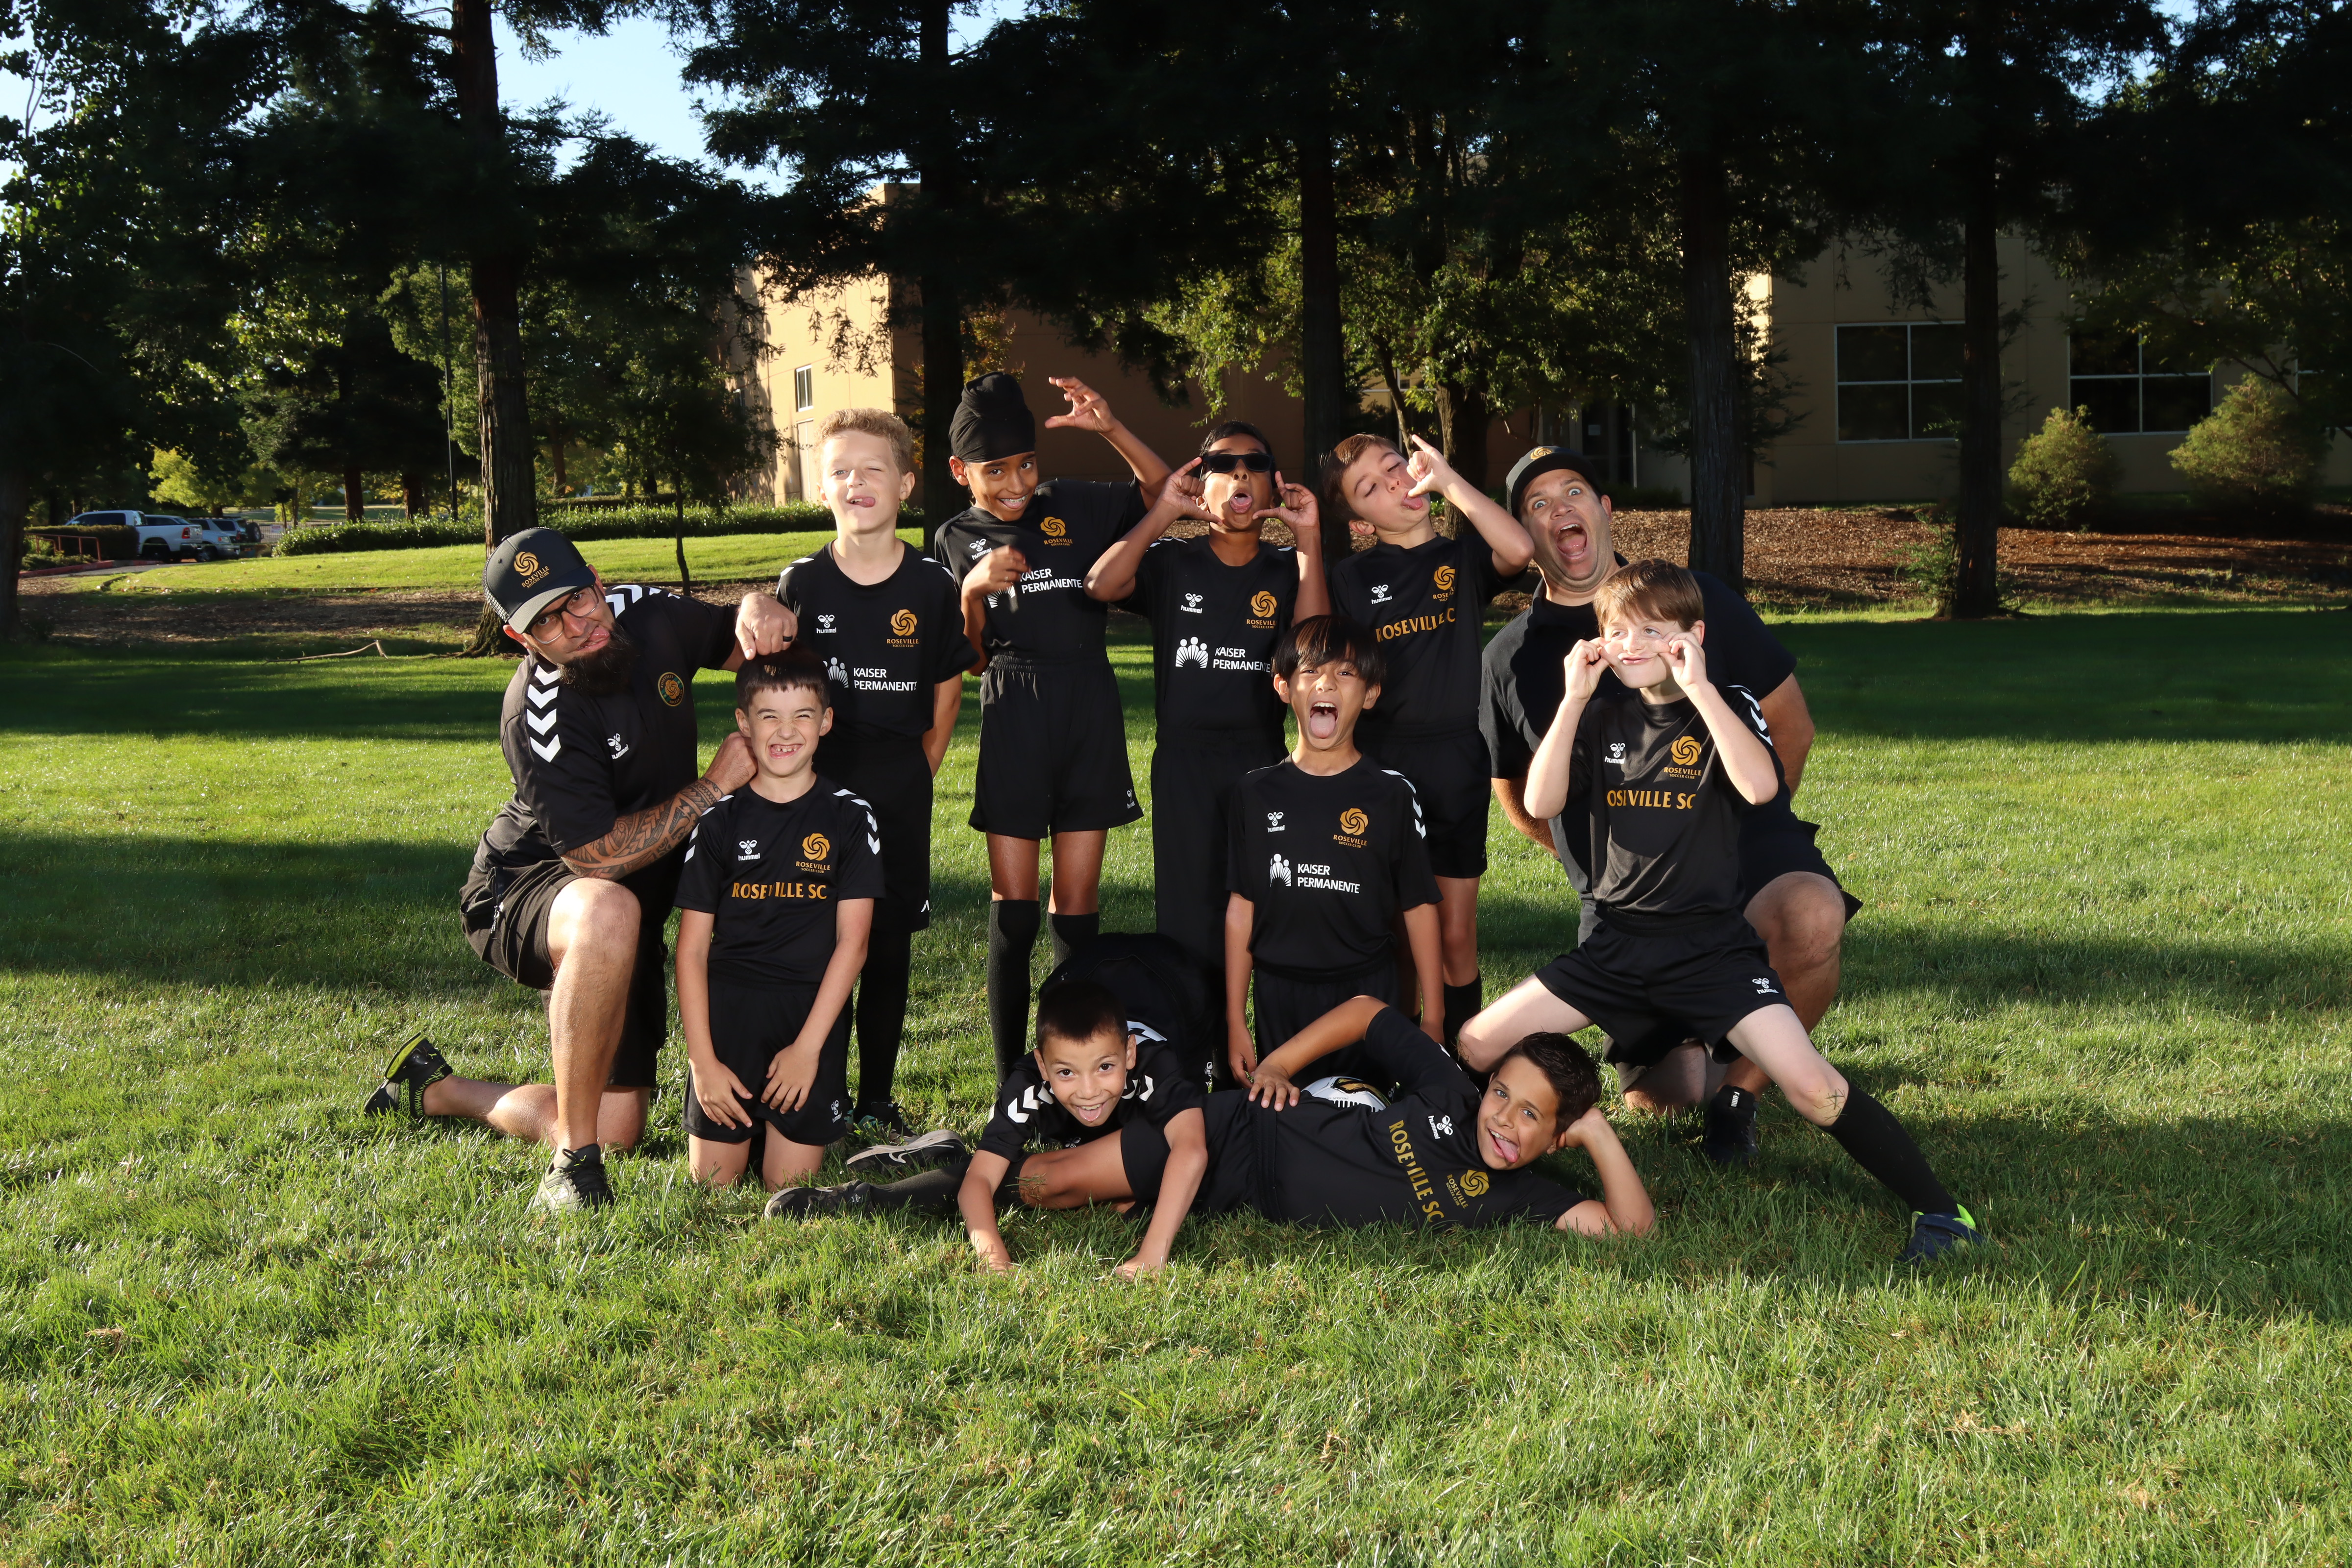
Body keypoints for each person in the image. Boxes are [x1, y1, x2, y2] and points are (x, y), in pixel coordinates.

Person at [1457, 560, 1980, 1262]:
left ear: (1694, 636)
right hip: (1614, 948)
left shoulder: (1723, 703)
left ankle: (1943, 1214)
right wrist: (1573, 699)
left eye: (1655, 631)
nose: (1635, 645)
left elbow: (1761, 787)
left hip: (1710, 951)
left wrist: (1701, 689)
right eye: (1620, 632)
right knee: (1475, 1044)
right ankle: (1463, 1162)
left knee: (1815, 1091)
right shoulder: (1597, 713)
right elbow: (1542, 801)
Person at [364, 526, 793, 1211]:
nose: (576, 625)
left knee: (619, 1128)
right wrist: (713, 788)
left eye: (579, 600)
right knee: (608, 906)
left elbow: (744, 642)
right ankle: (572, 1165)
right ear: (520, 637)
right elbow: (595, 858)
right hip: (527, 887)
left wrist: (759, 605)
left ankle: (435, 1088)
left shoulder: (645, 611)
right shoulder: (537, 712)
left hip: (629, 898)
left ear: (597, 580)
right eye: (547, 622)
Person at [1479, 445, 1858, 1164]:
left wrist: (1725, 833)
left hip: (1744, 845)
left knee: (1811, 914)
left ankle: (1741, 1097)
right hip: (1627, 894)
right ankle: (1723, 1047)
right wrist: (1594, 860)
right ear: (1524, 535)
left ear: (1605, 509)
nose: (1560, 510)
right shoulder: (1511, 656)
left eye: (1574, 491)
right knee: (1666, 1095)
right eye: (1538, 504)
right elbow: (1514, 790)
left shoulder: (1693, 599)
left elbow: (1793, 726)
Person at [929, 372, 1174, 1079]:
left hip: (1087, 708)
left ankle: (1075, 1070)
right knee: (1015, 913)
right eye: (996, 471)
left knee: (1077, 914)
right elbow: (971, 660)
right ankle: (1011, 1079)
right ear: (961, 472)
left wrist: (1111, 427)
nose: (1016, 483)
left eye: (1026, 464)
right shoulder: (956, 537)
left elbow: (1166, 492)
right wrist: (972, 592)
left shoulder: (1075, 503)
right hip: (1014, 710)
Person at [1084, 419, 1330, 1020]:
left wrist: (1309, 541)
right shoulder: (1174, 560)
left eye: (1254, 464)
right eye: (1223, 464)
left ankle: (1263, 1045)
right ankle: (1197, 1046)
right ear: (1201, 483)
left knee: (1265, 902)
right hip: (1185, 763)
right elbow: (1100, 583)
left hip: (1260, 759)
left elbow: (1314, 647)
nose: (1240, 474)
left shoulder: (1285, 567)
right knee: (1190, 912)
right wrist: (1164, 511)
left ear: (1272, 485)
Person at [777, 408, 977, 1141]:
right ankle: (816, 1089)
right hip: (815, 789)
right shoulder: (801, 582)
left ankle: (876, 1097)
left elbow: (948, 688)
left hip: (899, 784)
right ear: (821, 487)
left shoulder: (931, 583)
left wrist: (920, 766)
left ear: (905, 485)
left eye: (872, 469)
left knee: (888, 945)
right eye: (839, 470)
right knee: (816, 940)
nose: (855, 482)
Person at [770, 981, 1211, 1280]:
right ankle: (875, 1195)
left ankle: (943, 1156)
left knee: (1124, 1188)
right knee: (1024, 1179)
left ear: (1129, 1054)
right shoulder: (1028, 1083)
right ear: (1042, 1066)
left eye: (1105, 1068)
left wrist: (1152, 1255)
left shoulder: (1156, 1064)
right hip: (1069, 1135)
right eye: (1066, 1073)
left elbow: (1190, 1150)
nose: (1089, 1090)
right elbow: (979, 1182)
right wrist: (992, 1256)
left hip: (1130, 1123)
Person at [1319, 433, 1534, 1044]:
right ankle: (1404, 1057)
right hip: (1385, 762)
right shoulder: (1353, 577)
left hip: (1457, 759)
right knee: (1399, 933)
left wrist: (1450, 482)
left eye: (1394, 467)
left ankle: (1466, 1063)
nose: (1392, 484)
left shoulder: (1461, 558)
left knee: (1456, 934)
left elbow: (1520, 548)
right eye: (1370, 488)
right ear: (1360, 522)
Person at [672, 649, 883, 1190]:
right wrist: (703, 1063)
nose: (786, 732)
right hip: (730, 1017)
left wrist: (808, 1050)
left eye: (802, 716)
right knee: (713, 1183)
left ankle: (787, 1120)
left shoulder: (850, 816)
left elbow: (854, 944)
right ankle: (751, 1118)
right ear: (744, 723)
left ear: (826, 721)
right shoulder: (718, 821)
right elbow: (691, 951)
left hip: (808, 1014)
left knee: (786, 1187)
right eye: (769, 716)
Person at [1198, 995, 1654, 1238]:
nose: (1503, 1119)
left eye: (1530, 1114)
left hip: (1247, 1196)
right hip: (1250, 1130)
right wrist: (1278, 1065)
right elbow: (1366, 1013)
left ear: (1557, 1138)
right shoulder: (1449, 1093)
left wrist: (1597, 1132)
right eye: (1500, 1093)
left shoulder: (1523, 1197)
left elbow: (1634, 1232)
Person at [1225, 614, 1442, 1091]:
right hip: (1280, 993)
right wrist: (1235, 1018)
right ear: (1284, 687)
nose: (1326, 682)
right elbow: (1242, 906)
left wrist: (1434, 1017)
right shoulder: (1254, 792)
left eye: (1345, 672)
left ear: (1371, 694)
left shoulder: (1392, 794)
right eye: (1310, 671)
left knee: (1366, 1115)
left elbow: (1419, 905)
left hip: (1367, 989)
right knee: (1287, 1115)